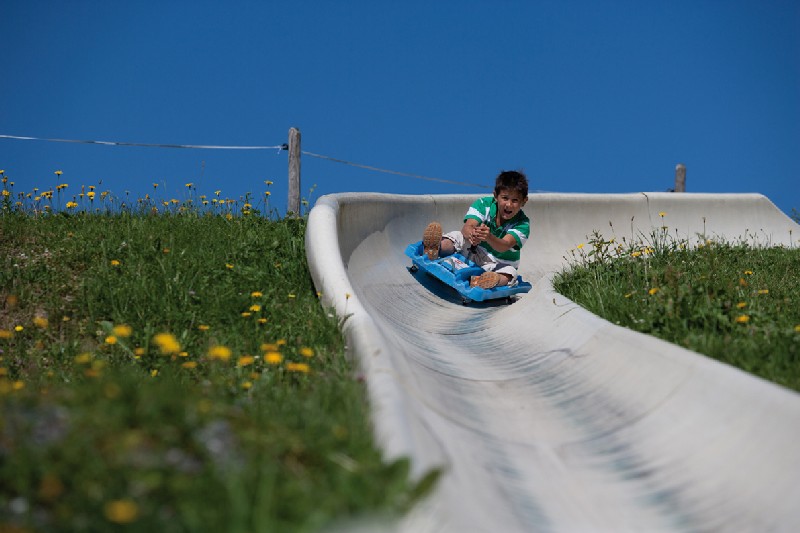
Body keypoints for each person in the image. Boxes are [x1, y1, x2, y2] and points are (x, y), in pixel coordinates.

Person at [422, 170, 530, 289]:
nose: (509, 205)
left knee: (509, 274)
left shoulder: (522, 223)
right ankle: (436, 248)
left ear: (524, 201)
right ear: (496, 196)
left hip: (498, 263)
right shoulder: (484, 204)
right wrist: (473, 234)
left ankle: (485, 280)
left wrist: (489, 237)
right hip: (475, 250)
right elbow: (467, 227)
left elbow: (504, 245)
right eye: (505, 198)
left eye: (515, 200)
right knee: (458, 236)